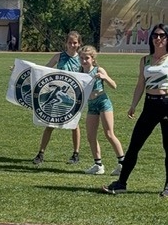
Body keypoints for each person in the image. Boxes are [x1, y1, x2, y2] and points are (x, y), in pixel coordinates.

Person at [103, 23, 168, 196]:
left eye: (162, 35)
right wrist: (133, 105)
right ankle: (121, 183)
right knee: (134, 145)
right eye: (155, 35)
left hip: (166, 104)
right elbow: (140, 84)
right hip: (150, 104)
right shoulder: (145, 60)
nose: (158, 39)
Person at [32, 30, 83, 165]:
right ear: (66, 43)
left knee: (75, 125)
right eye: (70, 42)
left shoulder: (81, 59)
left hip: (73, 97)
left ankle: (76, 154)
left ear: (79, 44)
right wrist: (23, 69)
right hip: (57, 93)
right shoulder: (59, 56)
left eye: (75, 43)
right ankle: (40, 153)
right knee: (50, 124)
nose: (72, 45)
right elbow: (43, 70)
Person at [78, 45, 125, 176]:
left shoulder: (98, 69)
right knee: (90, 136)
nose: (84, 61)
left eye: (87, 58)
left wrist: (104, 77)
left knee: (109, 133)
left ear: (93, 59)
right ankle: (98, 165)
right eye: (81, 58)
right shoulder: (80, 72)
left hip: (103, 102)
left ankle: (122, 163)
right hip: (91, 105)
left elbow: (114, 86)